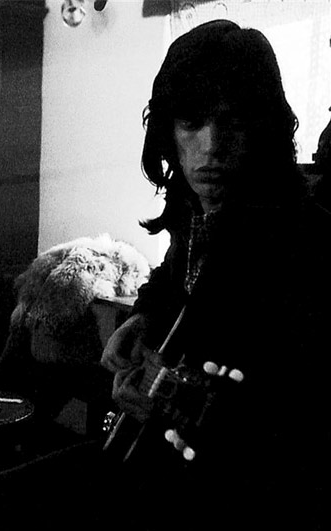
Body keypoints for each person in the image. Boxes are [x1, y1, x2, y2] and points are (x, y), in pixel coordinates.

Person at [100, 20, 330, 530]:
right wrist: (141, 317)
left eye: (233, 123)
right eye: (191, 123)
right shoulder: (194, 211)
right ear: (168, 132)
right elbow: (176, 280)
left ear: (265, 129)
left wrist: (200, 409)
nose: (211, 146)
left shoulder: (307, 244)